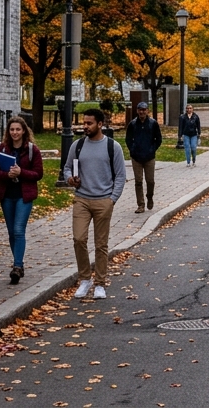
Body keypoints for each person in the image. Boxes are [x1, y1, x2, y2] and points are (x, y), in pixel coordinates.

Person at [63, 108, 126, 299]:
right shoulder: (78, 145)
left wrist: (112, 199)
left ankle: (100, 283)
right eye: (84, 123)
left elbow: (121, 175)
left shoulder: (112, 147)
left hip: (103, 200)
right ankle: (84, 279)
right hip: (82, 198)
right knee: (79, 239)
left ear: (100, 124)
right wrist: (70, 179)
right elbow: (67, 168)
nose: (85, 126)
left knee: (101, 244)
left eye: (89, 123)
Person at [0, 115, 44, 284]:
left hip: (24, 195)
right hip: (7, 195)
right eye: (12, 130)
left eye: (18, 129)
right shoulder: (3, 149)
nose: (15, 132)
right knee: (12, 232)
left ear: (23, 131)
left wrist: (21, 172)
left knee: (19, 230)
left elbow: (38, 173)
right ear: (8, 131)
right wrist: (7, 174)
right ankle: (18, 264)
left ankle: (17, 266)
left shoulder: (31, 150)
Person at [125, 101, 162, 212]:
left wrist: (152, 149)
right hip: (136, 157)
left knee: (150, 181)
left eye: (144, 109)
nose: (142, 111)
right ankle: (140, 204)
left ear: (147, 111)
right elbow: (128, 139)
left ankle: (149, 197)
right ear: (137, 111)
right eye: (140, 109)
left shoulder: (153, 123)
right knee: (138, 181)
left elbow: (158, 139)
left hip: (149, 157)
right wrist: (132, 149)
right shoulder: (132, 124)